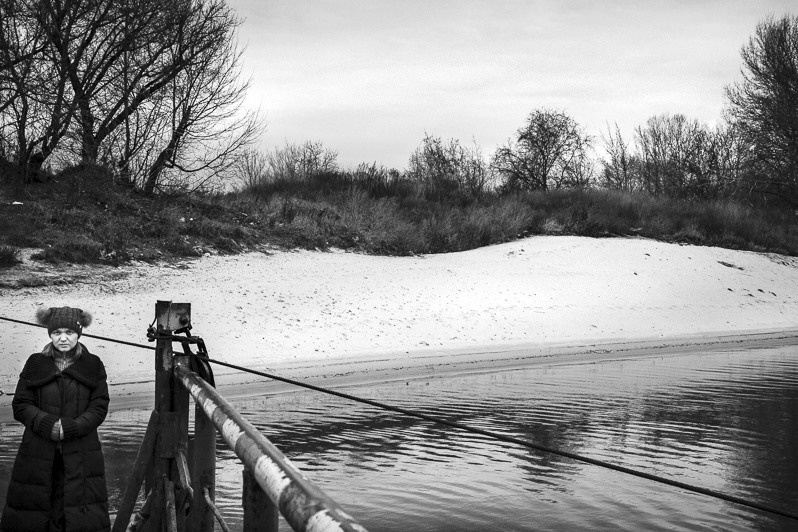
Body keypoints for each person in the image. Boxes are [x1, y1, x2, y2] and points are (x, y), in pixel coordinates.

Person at [1, 307, 111, 532]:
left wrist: (71, 428)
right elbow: (21, 405)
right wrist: (47, 424)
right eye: (57, 332)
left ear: (78, 334)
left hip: (82, 454)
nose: (63, 338)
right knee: (34, 514)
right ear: (49, 334)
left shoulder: (93, 365)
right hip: (37, 453)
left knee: (80, 516)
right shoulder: (35, 363)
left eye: (69, 332)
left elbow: (99, 407)